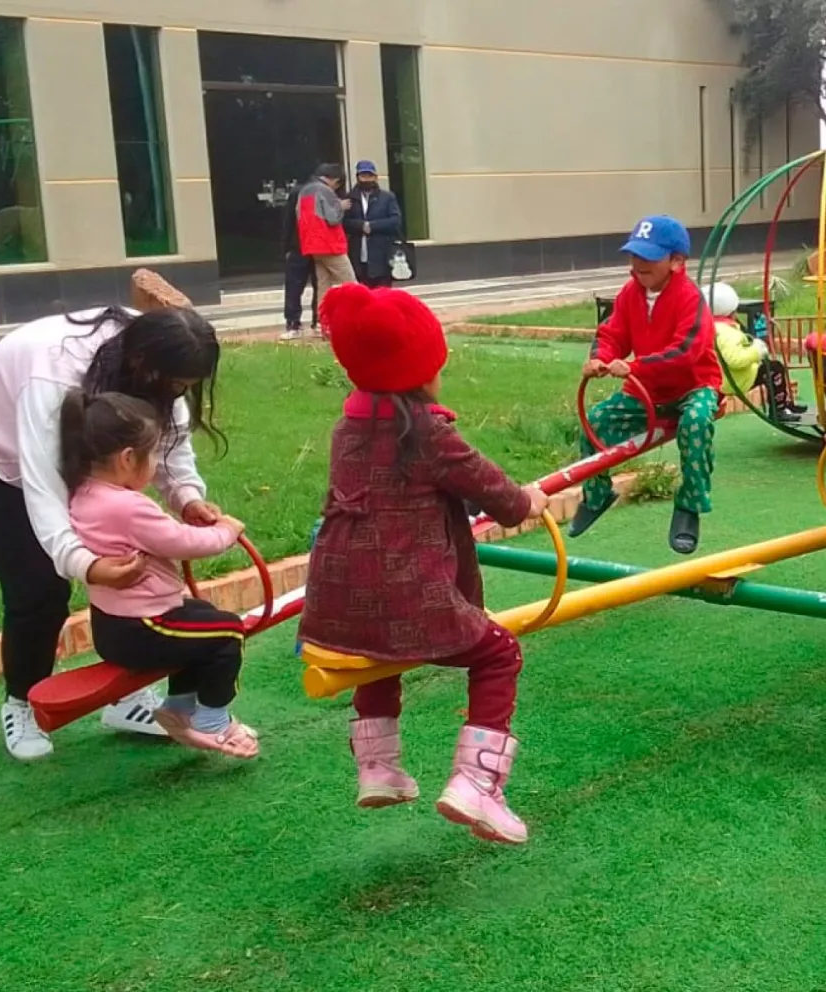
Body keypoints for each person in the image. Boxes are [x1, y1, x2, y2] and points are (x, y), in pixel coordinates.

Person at [0, 271, 228, 761]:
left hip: (74, 451)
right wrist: (84, 564)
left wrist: (186, 497)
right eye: (176, 385)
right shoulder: (54, 373)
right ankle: (23, 701)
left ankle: (125, 699)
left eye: (187, 387)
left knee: (131, 561)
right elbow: (44, 485)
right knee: (39, 587)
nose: (179, 394)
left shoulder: (158, 352)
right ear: (142, 366)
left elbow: (168, 436)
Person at [299, 283, 548, 845]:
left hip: (336, 603)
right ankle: (477, 783)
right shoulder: (429, 434)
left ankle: (378, 768)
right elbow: (498, 495)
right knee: (499, 652)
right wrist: (529, 500)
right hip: (409, 598)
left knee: (378, 654)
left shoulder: (348, 428)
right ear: (421, 372)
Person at [62, 390, 259, 759]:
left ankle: (179, 707)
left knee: (202, 615)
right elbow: (180, 542)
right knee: (228, 631)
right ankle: (213, 720)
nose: (155, 464)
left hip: (114, 624)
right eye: (153, 455)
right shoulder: (127, 507)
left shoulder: (85, 492)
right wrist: (226, 533)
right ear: (126, 459)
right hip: (143, 628)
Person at [571, 215, 722, 555]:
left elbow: (686, 352)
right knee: (596, 421)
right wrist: (600, 358)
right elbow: (612, 334)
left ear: (676, 262)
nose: (638, 264)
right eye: (634, 255)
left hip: (693, 386)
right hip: (647, 390)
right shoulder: (630, 293)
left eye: (649, 257)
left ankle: (690, 505)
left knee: (697, 422)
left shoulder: (689, 298)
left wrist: (635, 366)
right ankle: (597, 494)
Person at [709, 282, 804, 423]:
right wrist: (756, 350)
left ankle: (784, 404)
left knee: (771, 367)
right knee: (775, 369)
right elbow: (735, 359)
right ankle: (779, 411)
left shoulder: (713, 326)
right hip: (735, 378)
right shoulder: (727, 333)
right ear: (732, 312)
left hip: (723, 376)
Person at [296, 164, 356, 307]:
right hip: (329, 244)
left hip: (312, 245)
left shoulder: (304, 191)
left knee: (324, 286)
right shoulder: (325, 190)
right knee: (351, 283)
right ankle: (360, 315)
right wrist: (340, 206)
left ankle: (323, 318)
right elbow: (333, 219)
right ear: (335, 180)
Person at [343, 160, 402, 289]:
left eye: (369, 176)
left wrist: (372, 226)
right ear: (357, 177)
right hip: (358, 253)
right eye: (363, 176)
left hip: (382, 252)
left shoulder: (387, 197)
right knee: (361, 292)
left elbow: (395, 220)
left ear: (375, 177)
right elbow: (344, 222)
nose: (366, 179)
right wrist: (361, 226)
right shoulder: (349, 198)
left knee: (383, 293)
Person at [280, 182, 319, 342]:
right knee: (294, 288)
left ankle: (317, 322)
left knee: (320, 285)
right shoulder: (298, 194)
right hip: (299, 248)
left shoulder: (327, 193)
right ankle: (293, 323)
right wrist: (287, 248)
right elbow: (288, 221)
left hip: (319, 248)